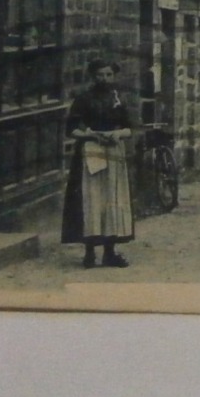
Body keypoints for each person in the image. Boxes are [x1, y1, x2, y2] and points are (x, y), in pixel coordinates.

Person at [61, 59, 135, 268]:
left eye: (108, 75)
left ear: (114, 76)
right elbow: (71, 129)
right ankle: (89, 252)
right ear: (93, 76)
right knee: (92, 199)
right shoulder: (83, 99)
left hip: (113, 152)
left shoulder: (119, 99)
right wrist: (90, 135)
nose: (104, 79)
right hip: (90, 153)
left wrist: (117, 133)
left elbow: (130, 128)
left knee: (112, 198)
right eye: (100, 75)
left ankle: (110, 252)